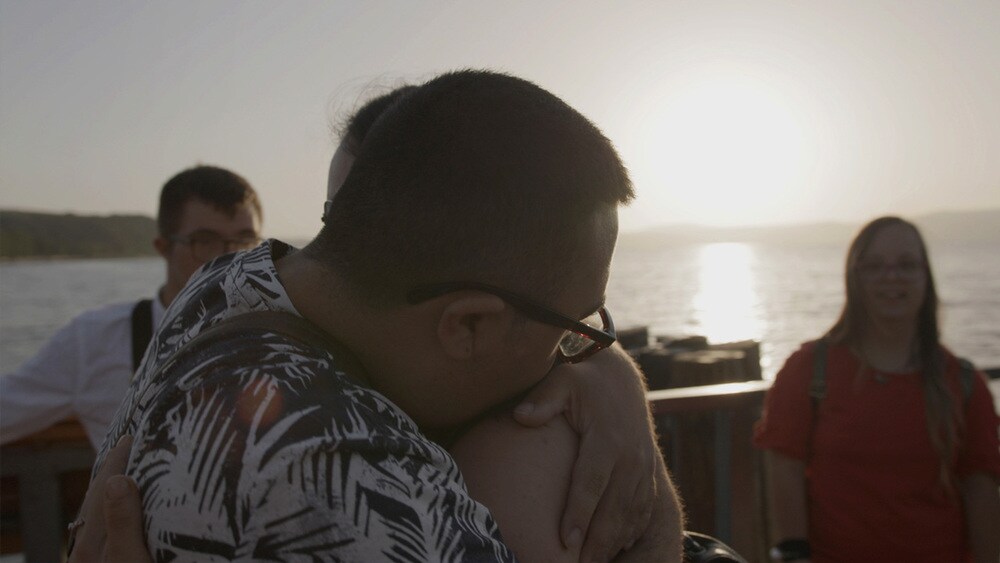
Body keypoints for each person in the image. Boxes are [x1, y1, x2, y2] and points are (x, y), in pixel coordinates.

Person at [73, 71, 683, 562]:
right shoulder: (353, 488)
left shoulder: (226, 282)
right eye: (576, 327)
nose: (573, 355)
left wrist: (613, 376)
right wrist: (653, 526)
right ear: (468, 325)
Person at [754, 216, 1000, 563]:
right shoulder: (808, 370)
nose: (891, 276)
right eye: (874, 266)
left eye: (906, 264)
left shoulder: (964, 383)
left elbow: (981, 492)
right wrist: (794, 553)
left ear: (926, 277)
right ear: (854, 278)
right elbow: (784, 467)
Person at [0, 166, 263, 448]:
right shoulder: (94, 341)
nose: (230, 258)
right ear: (164, 248)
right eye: (205, 241)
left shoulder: (285, 334)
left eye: (245, 240)